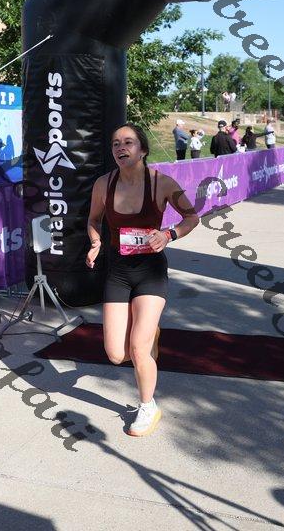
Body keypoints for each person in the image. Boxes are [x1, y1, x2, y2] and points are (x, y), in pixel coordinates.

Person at [86, 123, 199, 437]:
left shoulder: (162, 183)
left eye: (128, 142)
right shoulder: (103, 184)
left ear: (143, 149)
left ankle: (148, 407)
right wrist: (95, 242)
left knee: (138, 348)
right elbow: (93, 219)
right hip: (118, 272)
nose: (120, 148)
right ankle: (151, 335)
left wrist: (169, 234)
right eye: (115, 143)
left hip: (151, 271)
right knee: (115, 354)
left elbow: (192, 217)